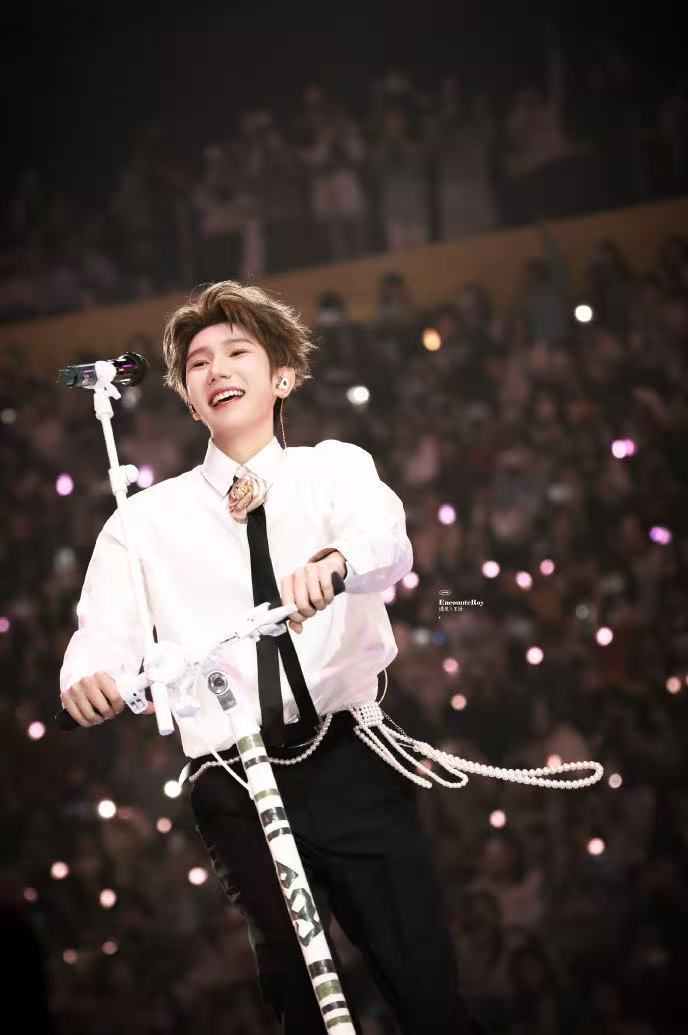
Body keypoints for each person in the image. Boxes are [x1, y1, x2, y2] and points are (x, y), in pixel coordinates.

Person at [59, 280, 489, 1034]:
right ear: (190, 399)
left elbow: (387, 541)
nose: (216, 369)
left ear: (282, 377)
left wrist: (337, 561)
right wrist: (86, 678)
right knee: (302, 993)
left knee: (424, 982)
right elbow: (103, 633)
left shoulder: (332, 470)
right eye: (198, 363)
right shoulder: (144, 520)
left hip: (350, 752)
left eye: (237, 352)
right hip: (235, 778)